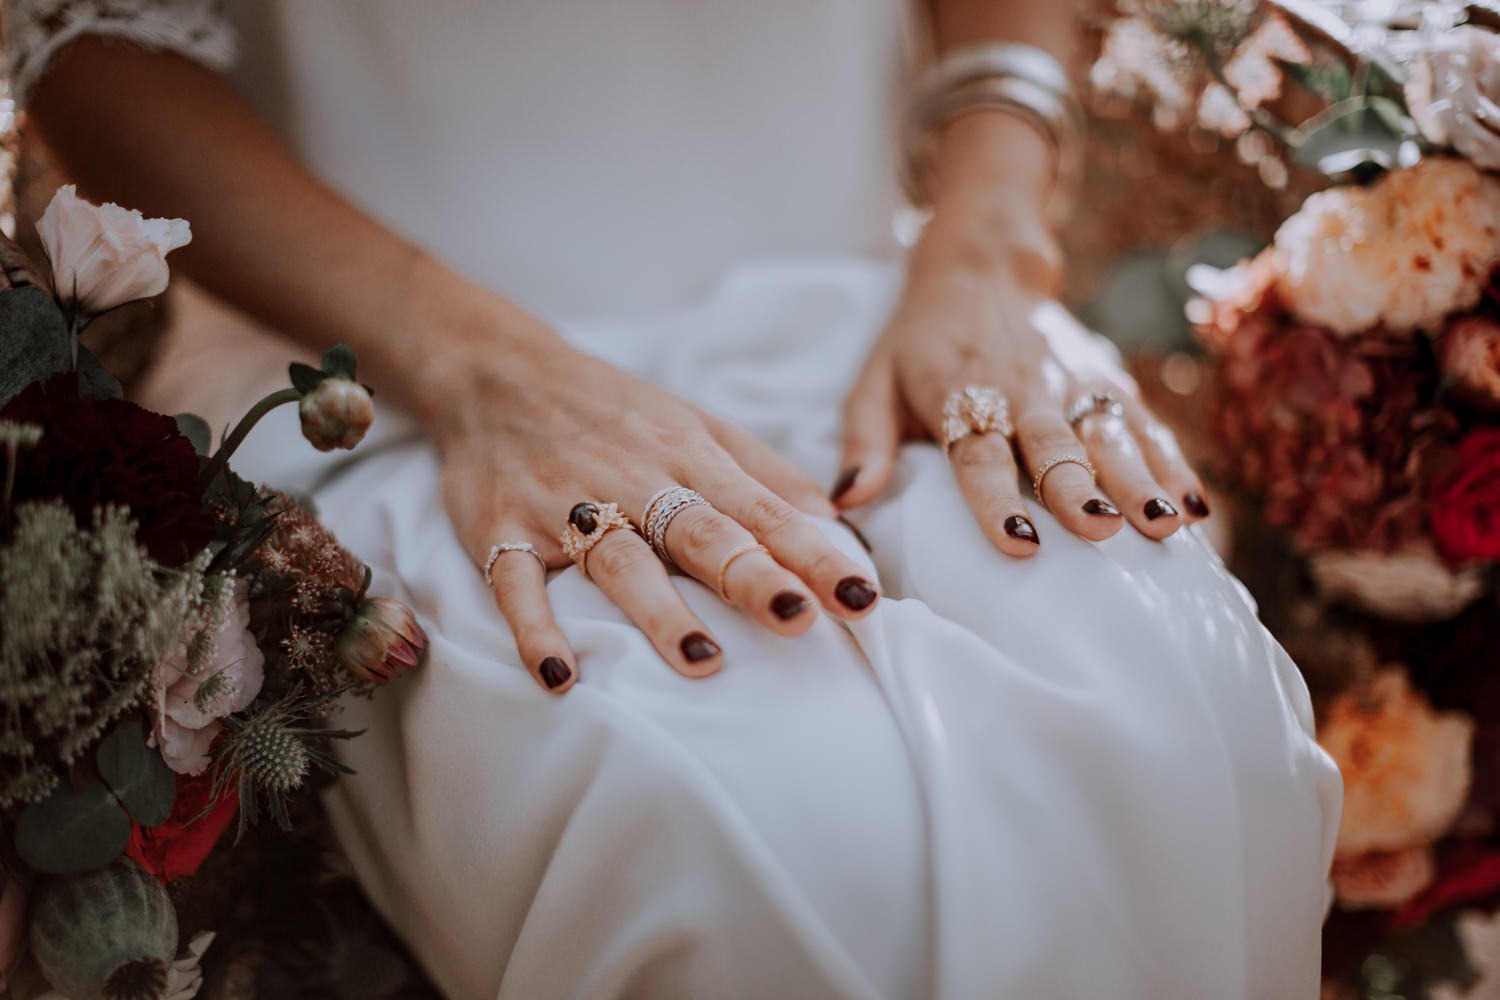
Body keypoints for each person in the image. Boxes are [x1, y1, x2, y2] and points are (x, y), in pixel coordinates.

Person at [10, 0, 1342, 996]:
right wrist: (490, 379)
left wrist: (990, 234)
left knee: (1196, 744)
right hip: (370, 355)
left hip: (881, 310)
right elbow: (86, 42)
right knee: (742, 848)